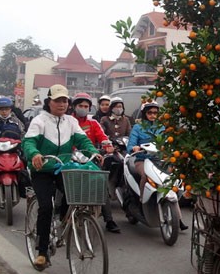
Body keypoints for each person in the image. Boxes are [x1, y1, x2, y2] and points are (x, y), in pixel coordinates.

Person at [22, 84, 101, 268]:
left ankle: (62, 222)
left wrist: (93, 151)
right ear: (49, 102)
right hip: (42, 170)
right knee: (46, 206)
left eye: (65, 100)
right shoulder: (39, 121)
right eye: (58, 100)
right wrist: (34, 154)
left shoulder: (71, 122)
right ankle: (42, 252)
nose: (62, 104)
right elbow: (29, 142)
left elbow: (83, 139)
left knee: (74, 194)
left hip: (62, 167)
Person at [127, 101, 188, 230]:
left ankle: (178, 217)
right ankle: (141, 203)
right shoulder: (138, 127)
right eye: (150, 113)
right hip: (142, 160)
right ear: (145, 114)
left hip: (161, 161)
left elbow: (170, 142)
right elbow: (130, 145)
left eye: (155, 113)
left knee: (171, 181)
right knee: (145, 176)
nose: (153, 115)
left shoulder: (162, 127)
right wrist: (135, 148)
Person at [72, 92, 121, 233]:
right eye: (80, 105)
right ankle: (61, 213)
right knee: (64, 186)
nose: (83, 108)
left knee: (102, 186)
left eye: (86, 106)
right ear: (74, 107)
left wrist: (108, 146)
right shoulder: (68, 121)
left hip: (91, 159)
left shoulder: (93, 123)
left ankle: (109, 220)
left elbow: (103, 137)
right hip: (71, 160)